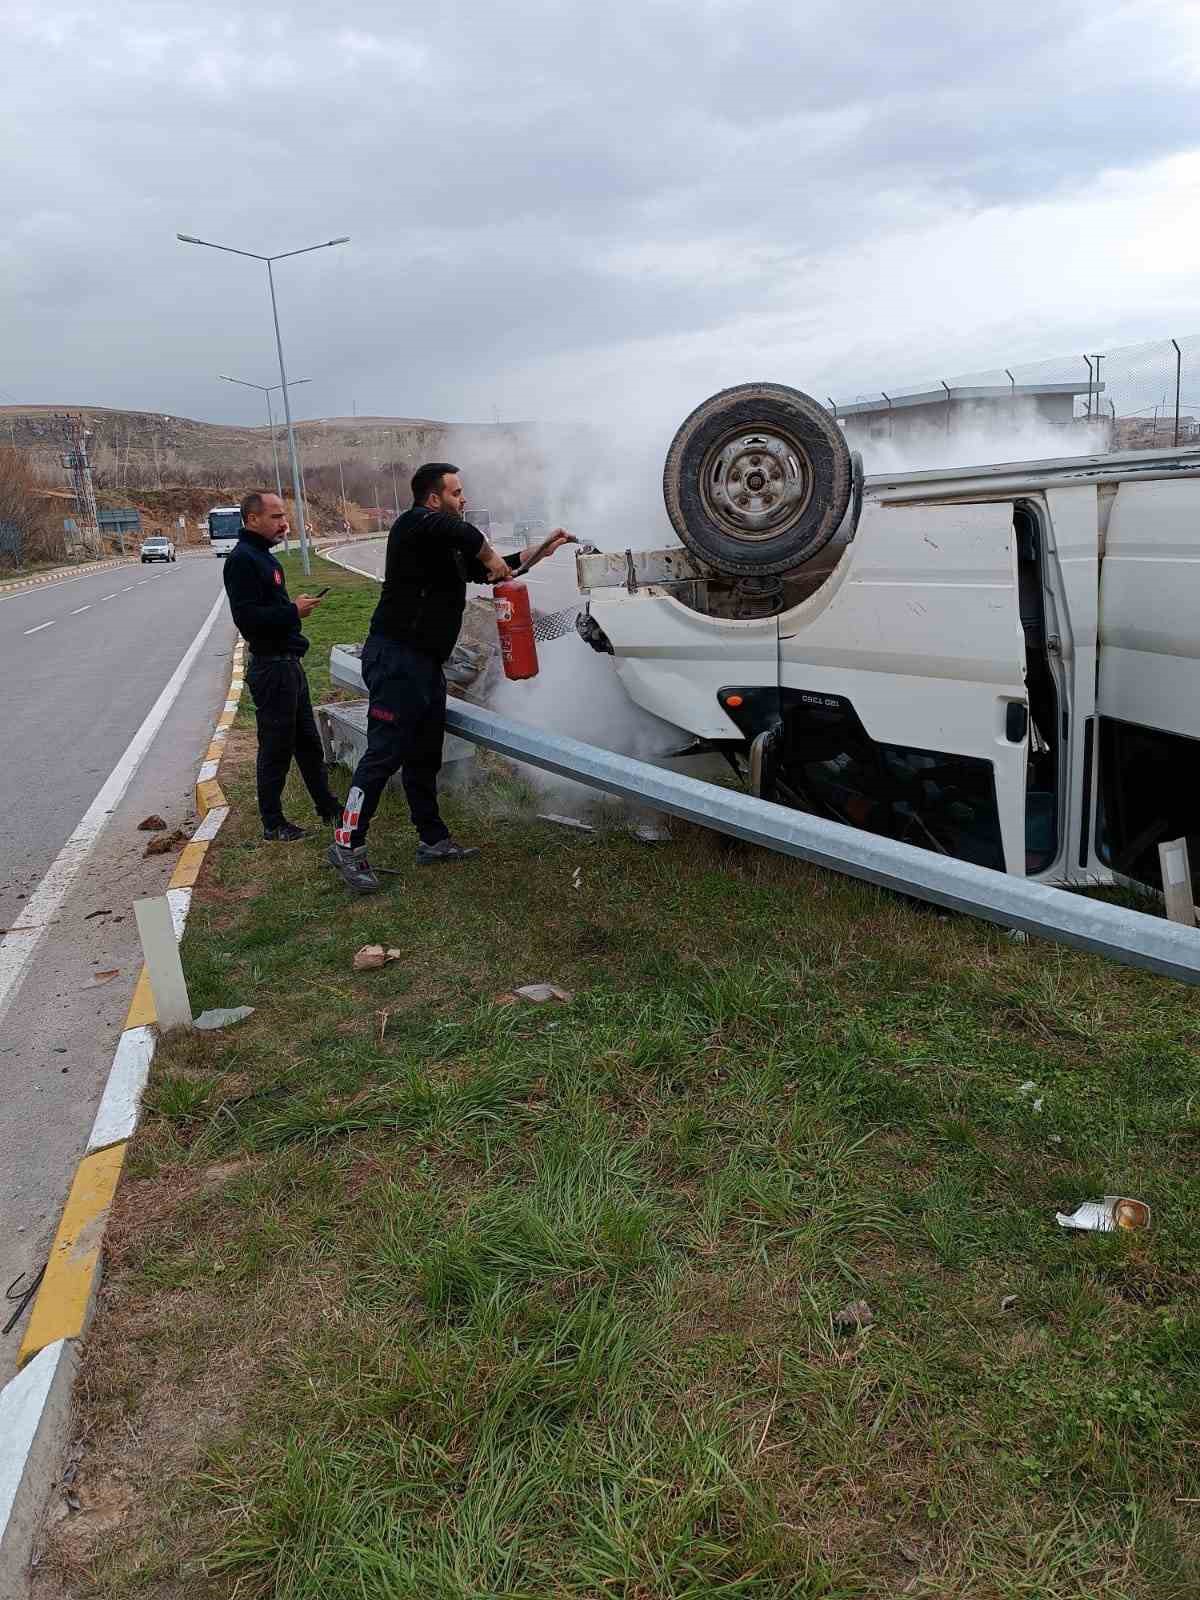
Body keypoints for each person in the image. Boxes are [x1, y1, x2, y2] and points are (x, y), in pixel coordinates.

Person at [328, 463, 575, 893]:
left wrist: (540, 550)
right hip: (395, 659)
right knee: (383, 756)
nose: (464, 499)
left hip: (425, 665)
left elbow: (496, 571)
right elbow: (465, 537)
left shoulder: (446, 546)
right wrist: (487, 551)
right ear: (433, 498)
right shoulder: (413, 525)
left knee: (425, 757)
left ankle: (433, 840)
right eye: (457, 492)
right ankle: (347, 844)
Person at [223, 491, 343, 842]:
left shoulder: (264, 558)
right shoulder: (243, 559)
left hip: (289, 666)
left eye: (284, 516)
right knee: (276, 747)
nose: (285, 523)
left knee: (308, 742)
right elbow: (247, 618)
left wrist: (292, 611)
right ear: (252, 519)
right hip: (272, 670)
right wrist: (293, 611)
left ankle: (327, 807)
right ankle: (273, 823)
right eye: (276, 517)